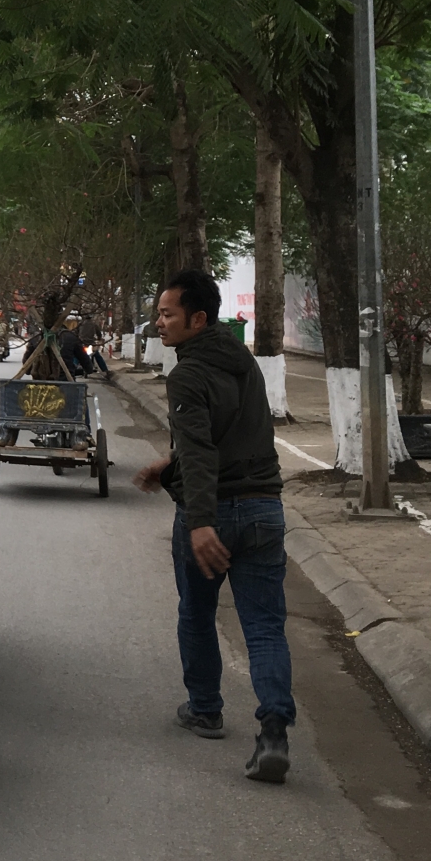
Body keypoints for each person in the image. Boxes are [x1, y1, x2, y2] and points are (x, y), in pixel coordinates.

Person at [134, 269, 291, 784]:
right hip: (266, 508)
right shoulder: (244, 363)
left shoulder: (186, 375)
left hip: (216, 513)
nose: (160, 322)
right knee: (265, 626)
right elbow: (234, 436)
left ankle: (205, 709)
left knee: (197, 613)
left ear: (197, 319)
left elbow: (202, 452)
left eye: (168, 314)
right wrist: (169, 468)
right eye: (159, 313)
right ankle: (273, 732)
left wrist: (201, 522)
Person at [75, 313, 111, 377]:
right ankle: (105, 370)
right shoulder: (94, 325)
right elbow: (99, 334)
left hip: (82, 343)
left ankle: (73, 368)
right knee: (98, 356)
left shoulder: (81, 324)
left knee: (77, 356)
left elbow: (76, 332)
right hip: (91, 344)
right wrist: (99, 338)